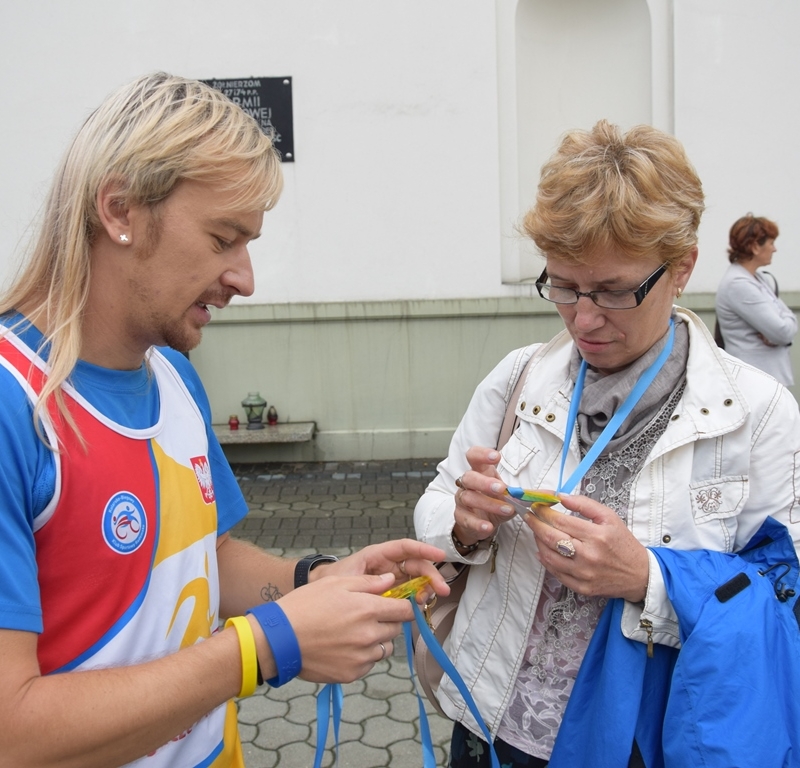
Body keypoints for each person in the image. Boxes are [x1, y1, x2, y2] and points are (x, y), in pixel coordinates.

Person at [0, 72, 448, 768]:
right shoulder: (11, 406)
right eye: (222, 238)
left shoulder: (172, 373)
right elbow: (12, 732)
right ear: (119, 209)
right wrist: (266, 644)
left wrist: (313, 583)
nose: (245, 278)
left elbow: (201, 562)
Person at [414, 120, 800, 767]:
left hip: (646, 742)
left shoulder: (757, 415)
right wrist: (463, 525)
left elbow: (786, 596)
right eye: (563, 285)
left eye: (615, 292)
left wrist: (649, 578)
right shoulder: (518, 379)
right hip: (491, 728)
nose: (583, 318)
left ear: (681, 269)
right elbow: (433, 508)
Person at [715, 213, 797, 386]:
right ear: (755, 246)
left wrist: (782, 325)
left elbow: (786, 322)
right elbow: (782, 332)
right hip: (754, 383)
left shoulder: (759, 278)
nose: (774, 249)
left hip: (767, 380)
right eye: (771, 243)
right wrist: (780, 328)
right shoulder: (738, 284)